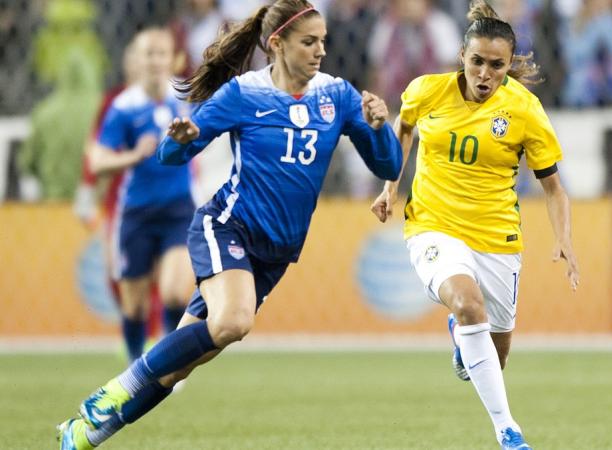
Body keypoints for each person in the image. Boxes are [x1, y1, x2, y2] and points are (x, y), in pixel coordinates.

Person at [56, 2, 402, 449]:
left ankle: (83, 434)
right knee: (233, 323)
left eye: (323, 42)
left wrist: (377, 128)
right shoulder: (244, 93)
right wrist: (178, 141)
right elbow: (172, 153)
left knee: (180, 363)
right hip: (227, 228)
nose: (320, 51)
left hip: (274, 254)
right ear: (277, 44)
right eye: (309, 42)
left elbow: (388, 164)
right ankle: (113, 391)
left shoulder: (337, 95)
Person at [370, 2, 579, 449]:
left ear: (508, 66)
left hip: (497, 239)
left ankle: (464, 343)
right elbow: (403, 129)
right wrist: (391, 186)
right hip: (433, 225)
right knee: (466, 303)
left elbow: (554, 187)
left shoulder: (524, 110)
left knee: (492, 357)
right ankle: (509, 432)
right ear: (462, 57)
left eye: (496, 65)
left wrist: (563, 237)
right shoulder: (426, 91)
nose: (485, 73)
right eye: (477, 62)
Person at [84, 29, 195, 364]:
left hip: (179, 207)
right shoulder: (124, 107)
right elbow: (99, 161)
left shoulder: (185, 98)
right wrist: (133, 156)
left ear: (171, 58)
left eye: (162, 53)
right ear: (137, 60)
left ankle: (168, 363)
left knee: (176, 290)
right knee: (135, 305)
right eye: (149, 54)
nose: (156, 61)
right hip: (137, 212)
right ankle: (136, 368)